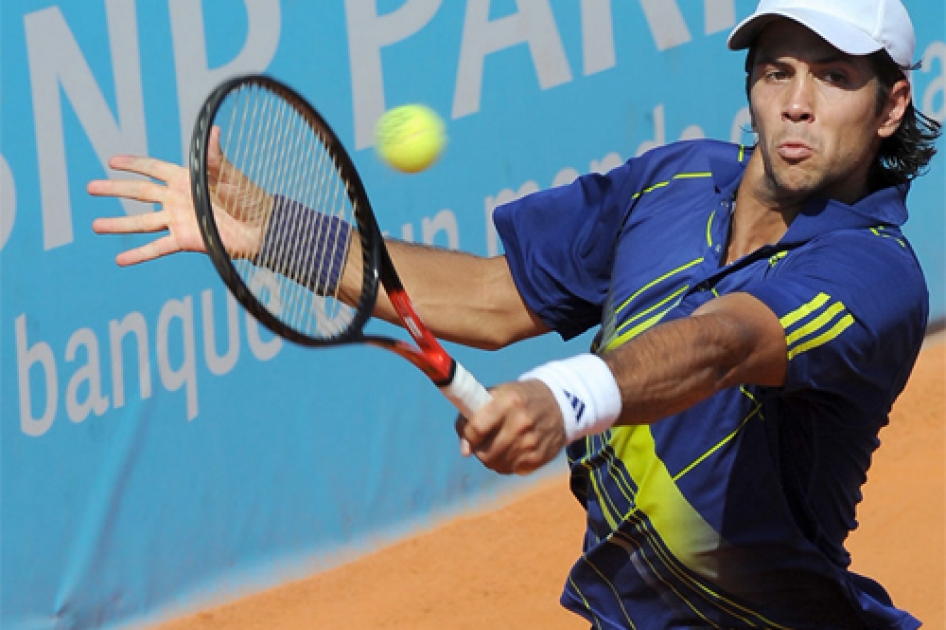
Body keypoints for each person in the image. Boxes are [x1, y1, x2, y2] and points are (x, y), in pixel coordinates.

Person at [89, 0, 941, 627]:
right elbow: (495, 299)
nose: (798, 103)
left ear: (890, 105)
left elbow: (723, 344)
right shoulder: (677, 179)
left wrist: (564, 396)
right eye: (777, 71)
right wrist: (271, 230)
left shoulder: (874, 272)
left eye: (834, 78)